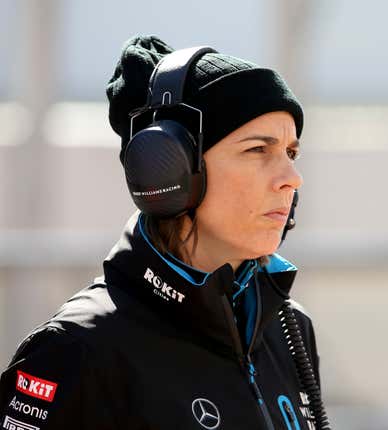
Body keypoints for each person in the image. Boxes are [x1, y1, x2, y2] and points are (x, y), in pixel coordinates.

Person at [0, 35, 330, 430]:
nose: (292, 178)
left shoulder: (289, 328)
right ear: (169, 170)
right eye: (258, 149)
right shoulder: (77, 348)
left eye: (291, 153)